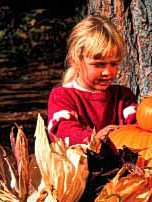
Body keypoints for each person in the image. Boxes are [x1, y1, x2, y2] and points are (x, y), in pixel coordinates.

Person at [47, 15, 137, 146]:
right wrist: (96, 138)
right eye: (99, 64)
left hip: (123, 165)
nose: (107, 72)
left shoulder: (123, 97)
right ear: (75, 61)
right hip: (79, 165)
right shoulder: (62, 96)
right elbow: (63, 132)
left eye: (113, 64)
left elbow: (139, 127)